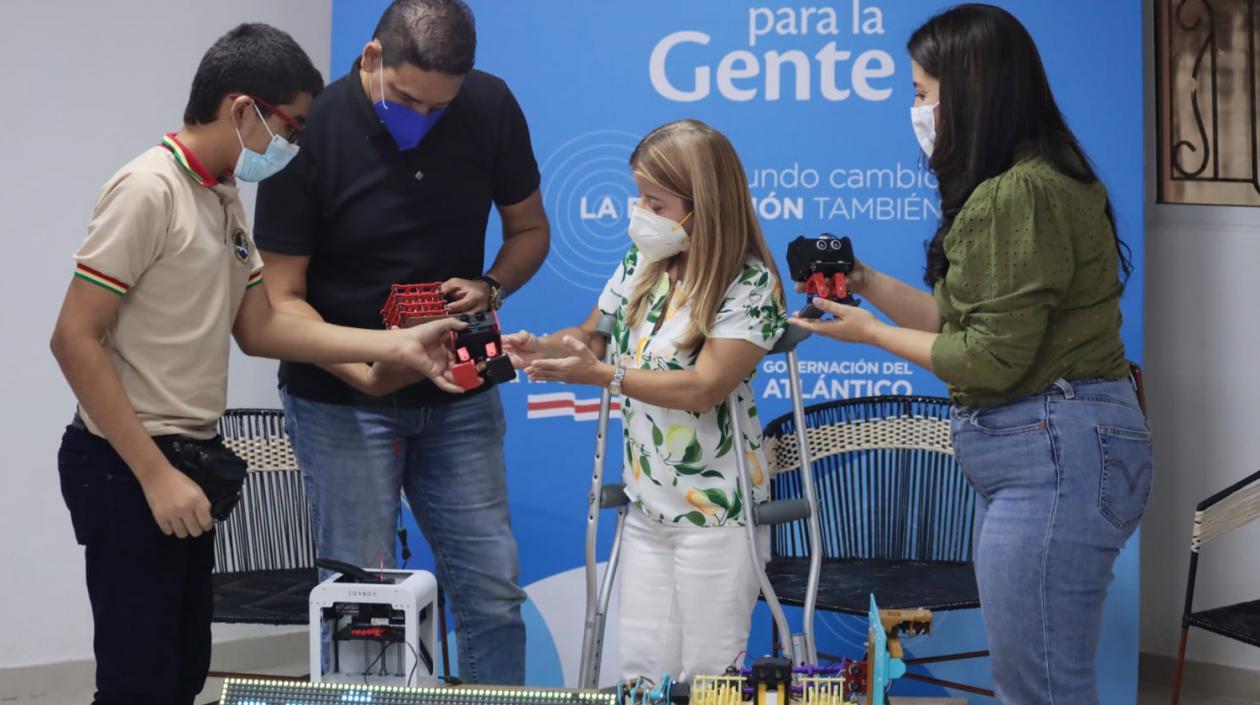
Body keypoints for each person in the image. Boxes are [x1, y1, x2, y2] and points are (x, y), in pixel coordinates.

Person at [49, 23, 465, 705]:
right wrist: (153, 475)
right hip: (125, 463)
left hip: (188, 461)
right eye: (292, 126)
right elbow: (73, 339)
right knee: (137, 682)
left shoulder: (220, 195)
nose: (296, 145)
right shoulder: (146, 189)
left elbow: (262, 326)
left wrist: (395, 345)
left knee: (181, 671)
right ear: (243, 109)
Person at [787, 6, 1152, 705]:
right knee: (1033, 681)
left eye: (923, 93)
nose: (915, 109)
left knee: (1039, 685)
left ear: (972, 92)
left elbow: (985, 360)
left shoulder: (1018, 193)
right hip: (1045, 455)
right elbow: (963, 324)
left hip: (1052, 455)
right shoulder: (1035, 180)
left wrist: (867, 335)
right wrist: (864, 284)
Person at [253, 0, 549, 685]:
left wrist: (493, 287)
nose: (425, 120)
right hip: (339, 400)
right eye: (410, 102)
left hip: (458, 400)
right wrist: (372, 366)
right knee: (360, 602)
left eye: (442, 108)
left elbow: (529, 231)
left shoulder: (491, 106)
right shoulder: (307, 133)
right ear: (371, 60)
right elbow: (281, 302)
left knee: (493, 592)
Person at [503, 119, 787, 682]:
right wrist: (544, 345)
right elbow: (592, 335)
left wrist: (605, 376)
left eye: (655, 203)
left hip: (717, 513)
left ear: (701, 203)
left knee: (708, 677)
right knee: (639, 672)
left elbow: (705, 385)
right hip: (647, 504)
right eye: (639, 198)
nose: (641, 214)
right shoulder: (643, 266)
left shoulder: (751, 287)